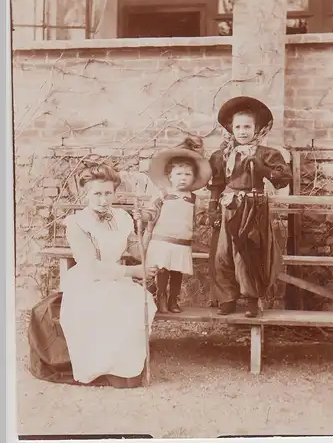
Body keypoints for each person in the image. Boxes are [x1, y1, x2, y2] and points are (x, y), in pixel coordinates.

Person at [28, 163, 157, 388]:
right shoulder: (77, 223)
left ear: (115, 192)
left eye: (108, 193)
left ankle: (124, 369)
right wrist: (133, 271)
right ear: (86, 194)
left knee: (139, 303)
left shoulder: (122, 217)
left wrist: (146, 228)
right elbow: (90, 266)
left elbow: (137, 252)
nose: (103, 200)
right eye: (97, 194)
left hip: (117, 278)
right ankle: (100, 369)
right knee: (103, 305)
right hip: (89, 279)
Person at [207, 96, 292, 317]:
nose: (242, 131)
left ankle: (252, 299)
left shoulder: (266, 154)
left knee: (248, 253)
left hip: (253, 208)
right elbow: (216, 184)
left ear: (256, 129)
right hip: (228, 207)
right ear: (230, 129)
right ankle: (227, 299)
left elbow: (284, 178)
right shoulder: (222, 155)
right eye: (238, 127)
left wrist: (262, 170)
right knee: (221, 253)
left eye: (247, 126)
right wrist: (212, 208)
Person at [134, 136, 212, 314]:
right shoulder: (163, 195)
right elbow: (151, 214)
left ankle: (173, 300)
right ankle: (161, 297)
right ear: (170, 176)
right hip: (162, 241)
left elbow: (200, 218)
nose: (183, 178)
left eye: (187, 174)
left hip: (182, 242)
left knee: (177, 273)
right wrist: (142, 215)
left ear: (194, 178)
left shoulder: (194, 199)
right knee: (162, 271)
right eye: (178, 174)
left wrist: (211, 219)